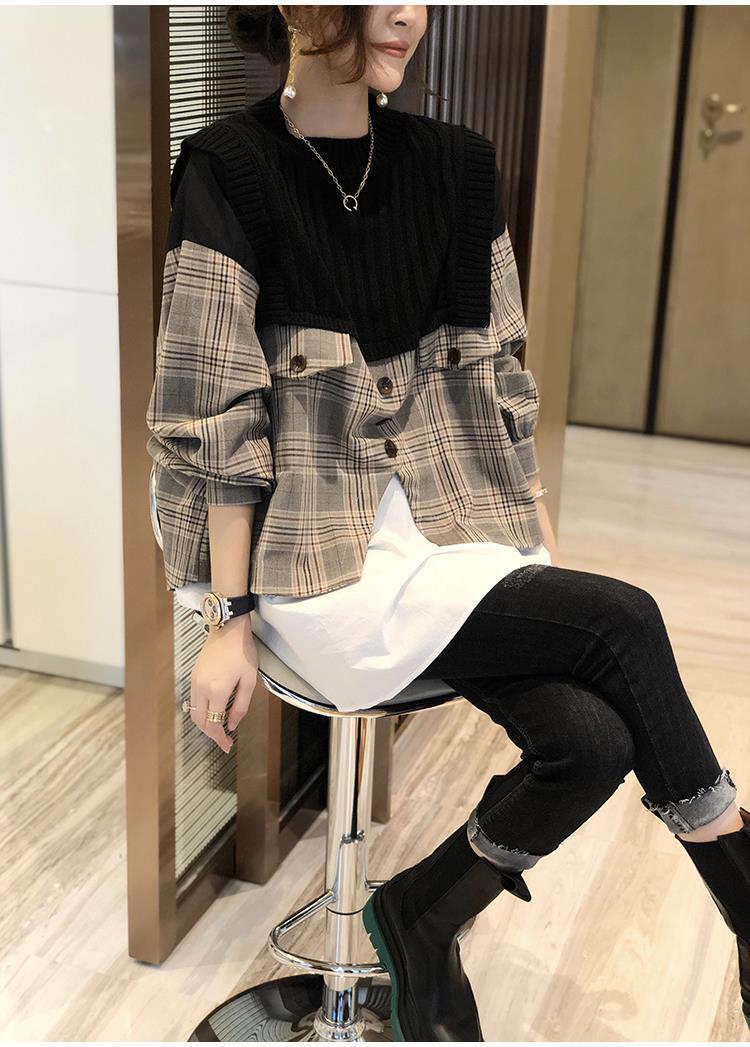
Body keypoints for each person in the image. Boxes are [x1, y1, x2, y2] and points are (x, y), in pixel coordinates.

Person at [145, 5, 750, 1041]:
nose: (408, 14)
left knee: (591, 740)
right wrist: (228, 619)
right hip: (316, 560)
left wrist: (539, 551)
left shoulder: (457, 167)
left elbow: (502, 379)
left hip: (458, 528)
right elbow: (213, 413)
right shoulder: (229, 170)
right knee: (626, 618)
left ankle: (421, 918)